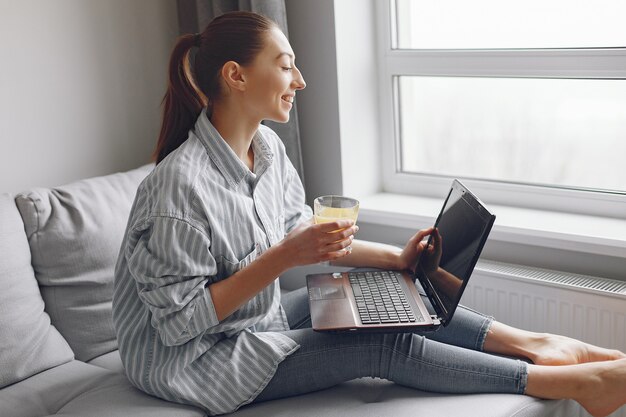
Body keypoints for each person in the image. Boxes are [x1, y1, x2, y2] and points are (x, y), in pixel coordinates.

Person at [112, 11, 626, 417]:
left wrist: (395, 259)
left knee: (382, 296)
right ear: (236, 76)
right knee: (379, 344)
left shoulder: (266, 149)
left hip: (250, 321)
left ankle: (540, 344)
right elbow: (181, 325)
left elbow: (296, 230)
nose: (301, 80)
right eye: (286, 64)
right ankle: (570, 382)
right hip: (194, 361)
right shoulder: (178, 191)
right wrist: (284, 256)